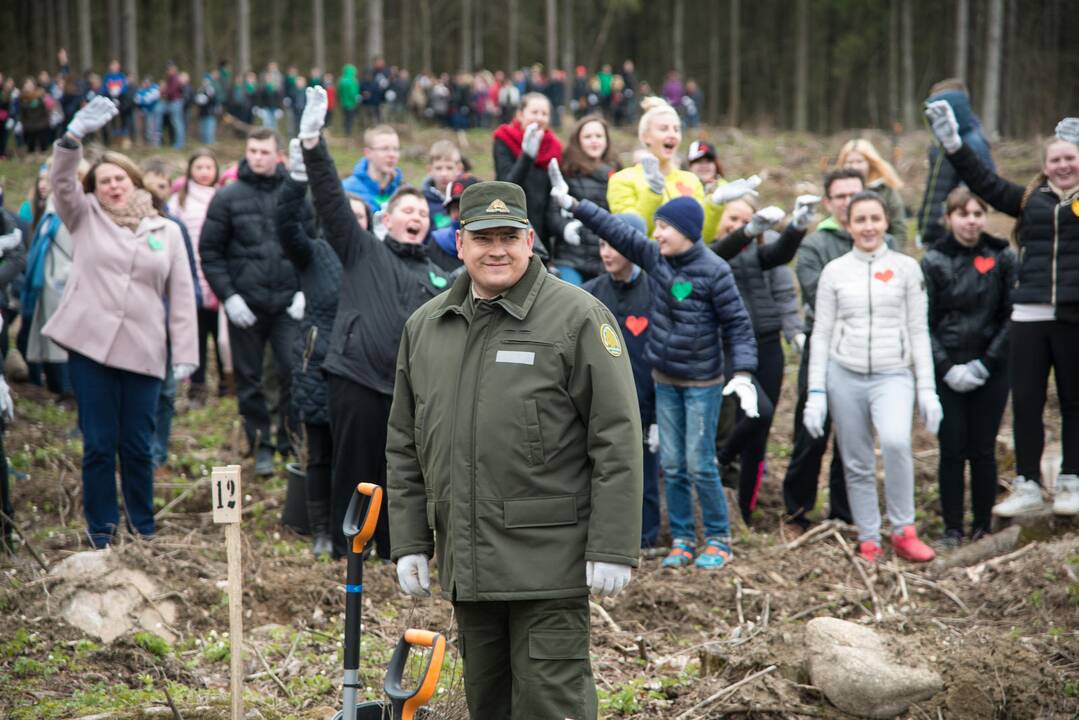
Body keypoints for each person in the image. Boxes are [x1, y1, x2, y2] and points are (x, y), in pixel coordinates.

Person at [389, 180, 642, 719]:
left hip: (549, 563)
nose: (496, 249)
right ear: (460, 244)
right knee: (490, 706)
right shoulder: (427, 328)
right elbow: (406, 445)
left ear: (531, 240)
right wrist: (409, 538)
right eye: (483, 237)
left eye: (509, 236)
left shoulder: (577, 318)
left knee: (551, 705)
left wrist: (614, 545)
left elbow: (617, 437)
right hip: (469, 564)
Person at [553, 166, 759, 570]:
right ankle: (682, 537)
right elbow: (617, 231)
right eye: (657, 227)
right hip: (664, 379)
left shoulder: (715, 270)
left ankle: (717, 537)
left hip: (701, 382)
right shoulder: (655, 259)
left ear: (687, 231)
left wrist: (744, 374)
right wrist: (575, 204)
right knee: (672, 464)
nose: (657, 234)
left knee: (700, 462)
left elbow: (738, 323)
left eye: (664, 228)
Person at [297, 87, 451, 559]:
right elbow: (328, 198)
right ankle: (351, 552)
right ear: (386, 217)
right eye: (408, 210)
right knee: (356, 467)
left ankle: (395, 549)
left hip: (412, 391)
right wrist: (312, 143)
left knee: (403, 472)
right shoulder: (363, 250)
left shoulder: (440, 274)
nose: (417, 217)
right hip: (357, 378)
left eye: (423, 213)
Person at [42, 97, 197, 548]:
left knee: (137, 446)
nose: (113, 187)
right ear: (96, 187)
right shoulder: (84, 216)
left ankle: (143, 528)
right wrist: (71, 140)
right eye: (105, 181)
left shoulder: (164, 231)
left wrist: (186, 355)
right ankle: (102, 532)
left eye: (120, 180)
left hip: (144, 352)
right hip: (89, 348)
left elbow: (182, 296)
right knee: (98, 444)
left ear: (134, 182)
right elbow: (61, 182)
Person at [925, 103, 1079, 516]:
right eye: (1056, 160)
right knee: (1026, 401)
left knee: (1072, 400)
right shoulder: (1029, 200)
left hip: (1072, 316)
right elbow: (984, 182)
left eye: (1071, 158)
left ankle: (1071, 480)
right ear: (1045, 166)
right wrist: (954, 144)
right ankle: (1028, 482)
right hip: (1029, 315)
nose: (1063, 166)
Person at [805, 191, 941, 562]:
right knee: (856, 458)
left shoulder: (906, 269)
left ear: (886, 222)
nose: (868, 227)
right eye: (860, 220)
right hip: (844, 374)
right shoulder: (835, 272)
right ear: (848, 225)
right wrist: (816, 391)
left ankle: (903, 529)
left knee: (897, 443)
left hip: (893, 374)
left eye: (875, 219)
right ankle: (868, 536)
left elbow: (917, 331)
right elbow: (821, 333)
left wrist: (927, 389)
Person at [199, 127, 309, 476]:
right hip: (246, 303)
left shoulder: (295, 194)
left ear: (278, 155)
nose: (257, 157)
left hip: (288, 303)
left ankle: (290, 442)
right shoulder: (228, 197)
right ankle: (260, 443)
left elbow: (313, 243)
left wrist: (306, 290)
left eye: (264, 151)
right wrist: (229, 296)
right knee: (248, 378)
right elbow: (210, 252)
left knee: (292, 372)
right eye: (252, 151)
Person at [709, 195, 819, 523]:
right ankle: (722, 459)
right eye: (732, 219)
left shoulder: (759, 254)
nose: (737, 226)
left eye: (745, 221)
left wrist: (797, 227)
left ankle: (745, 508)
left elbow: (781, 253)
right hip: (728, 346)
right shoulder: (710, 254)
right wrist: (743, 233)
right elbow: (722, 252)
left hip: (767, 343)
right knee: (758, 413)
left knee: (762, 430)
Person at [922, 188, 1015, 546]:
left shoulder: (1002, 256)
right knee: (952, 448)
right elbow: (923, 322)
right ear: (949, 218)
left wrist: (987, 362)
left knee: (983, 448)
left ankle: (981, 526)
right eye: (964, 214)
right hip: (947, 368)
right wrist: (946, 367)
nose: (971, 221)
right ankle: (951, 528)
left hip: (991, 367)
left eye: (978, 213)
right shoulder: (933, 261)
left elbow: (1011, 314)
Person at [781, 169, 865, 537]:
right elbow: (819, 295)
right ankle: (796, 511)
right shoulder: (817, 245)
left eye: (854, 194)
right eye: (840, 196)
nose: (848, 202)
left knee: (853, 433)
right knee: (810, 433)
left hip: (865, 351)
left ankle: (844, 513)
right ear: (829, 202)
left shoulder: (882, 239)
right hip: (823, 348)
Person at [277, 139, 343, 560]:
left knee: (361, 456)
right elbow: (284, 225)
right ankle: (321, 528)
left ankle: (355, 529)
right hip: (320, 367)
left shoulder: (373, 258)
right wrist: (298, 177)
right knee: (319, 454)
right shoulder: (315, 253)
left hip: (365, 371)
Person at [582, 223, 659, 551]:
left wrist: (657, 413)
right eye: (601, 244)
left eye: (613, 244)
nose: (606, 252)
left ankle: (645, 538)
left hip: (644, 397)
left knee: (644, 473)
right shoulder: (590, 294)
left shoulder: (656, 291)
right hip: (599, 400)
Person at [141, 159, 204, 472]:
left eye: (162, 186)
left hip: (165, 324)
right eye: (149, 185)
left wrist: (188, 307)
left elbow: (188, 275)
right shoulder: (129, 226)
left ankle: (158, 452)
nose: (155, 192)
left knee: (165, 391)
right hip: (135, 325)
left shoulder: (174, 227)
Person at [607, 98, 734, 242]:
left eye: (676, 129)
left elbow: (702, 238)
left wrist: (715, 204)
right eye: (663, 129)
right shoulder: (622, 179)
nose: (672, 134)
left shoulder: (690, 179)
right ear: (645, 137)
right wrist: (652, 194)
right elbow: (631, 235)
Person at [168, 148, 224, 405]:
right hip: (191, 275)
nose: (204, 173)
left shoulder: (221, 197)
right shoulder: (179, 200)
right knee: (197, 334)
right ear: (190, 169)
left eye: (208, 168)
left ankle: (226, 381)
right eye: (199, 167)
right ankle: (197, 385)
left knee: (220, 333)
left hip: (218, 275)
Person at [917, 79, 994, 248]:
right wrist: (924, 222)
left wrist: (949, 224)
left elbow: (971, 196)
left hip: (951, 235)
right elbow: (934, 189)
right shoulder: (940, 143)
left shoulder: (973, 144)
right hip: (935, 231)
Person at [545, 116, 620, 286]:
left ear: (606, 140)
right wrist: (565, 228)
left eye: (599, 136)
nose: (594, 141)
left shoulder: (618, 174)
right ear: (578, 141)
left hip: (605, 260)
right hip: (571, 258)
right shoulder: (567, 172)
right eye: (588, 137)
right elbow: (552, 214)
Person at [492, 91, 562, 248]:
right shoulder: (504, 138)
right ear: (520, 115)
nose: (539, 118)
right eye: (534, 112)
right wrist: (527, 156)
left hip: (543, 230)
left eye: (544, 114)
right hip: (511, 222)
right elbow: (506, 185)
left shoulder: (554, 147)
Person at [836, 138, 908, 251]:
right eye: (849, 162)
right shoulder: (838, 191)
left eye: (859, 161)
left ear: (870, 163)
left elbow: (899, 227)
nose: (854, 166)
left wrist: (894, 253)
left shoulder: (885, 190)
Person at [341, 124, 403, 212]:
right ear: (368, 153)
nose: (392, 155)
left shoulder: (404, 192)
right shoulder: (346, 190)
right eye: (385, 149)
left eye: (396, 149)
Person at [426, 174, 479, 273]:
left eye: (465, 207)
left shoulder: (489, 244)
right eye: (455, 208)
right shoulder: (437, 241)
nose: (460, 214)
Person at [421, 140, 462, 233]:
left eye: (449, 168)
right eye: (438, 168)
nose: (444, 174)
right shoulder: (422, 201)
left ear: (459, 169)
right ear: (430, 170)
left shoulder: (466, 197)